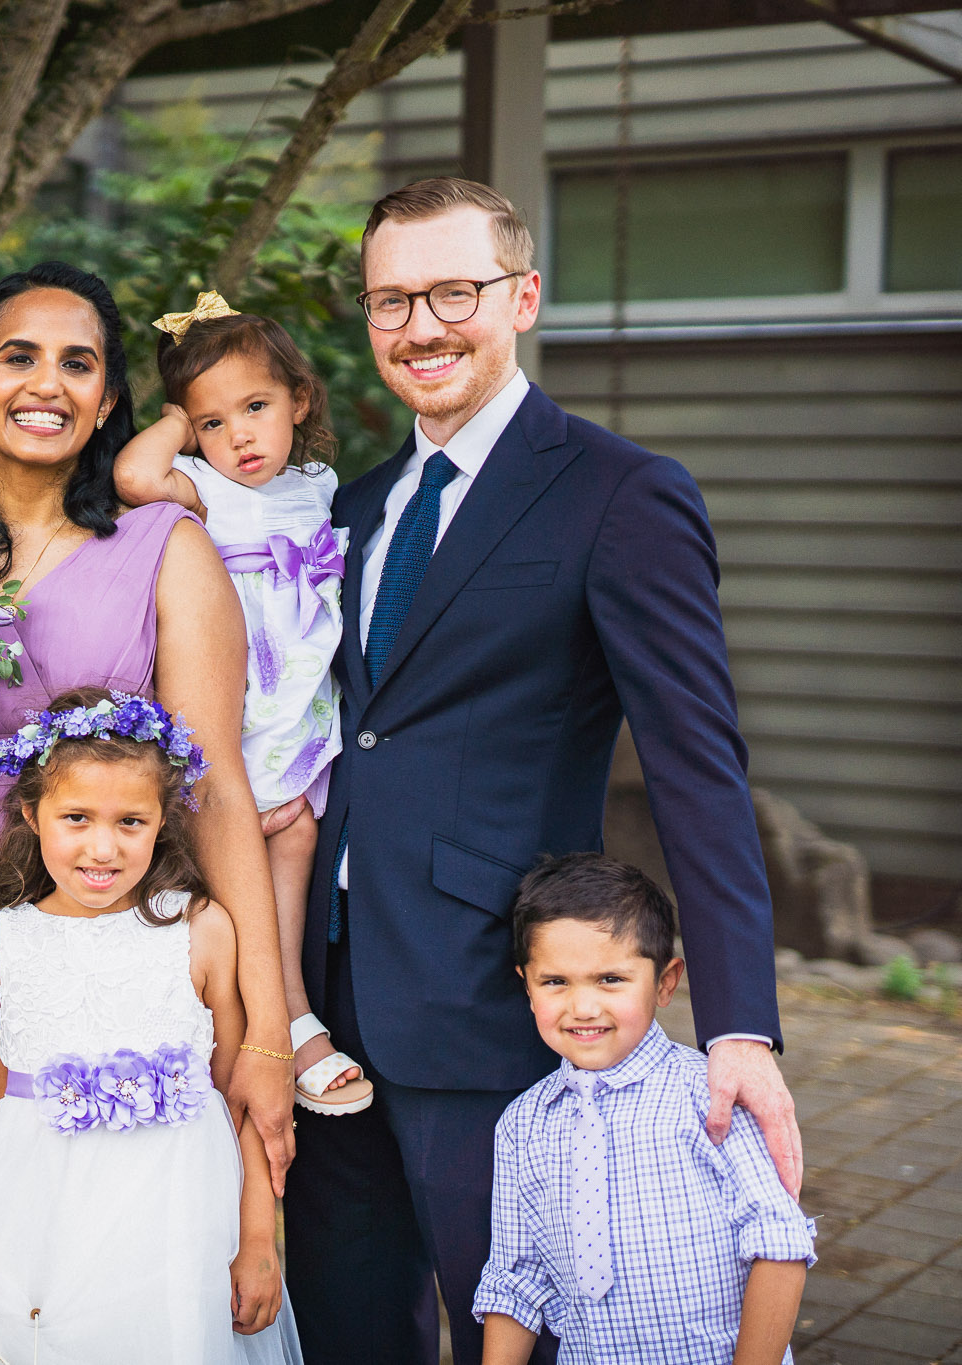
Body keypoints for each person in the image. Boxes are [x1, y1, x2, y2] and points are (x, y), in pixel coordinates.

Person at [284, 176, 801, 1365]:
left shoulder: (619, 495)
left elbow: (696, 768)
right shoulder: (348, 512)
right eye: (389, 301)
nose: (419, 327)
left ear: (520, 298)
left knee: (515, 1327)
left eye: (451, 293)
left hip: (486, 996)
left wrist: (739, 1026)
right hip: (324, 999)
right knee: (346, 1329)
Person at [0, 262, 303, 1348]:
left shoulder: (164, 549)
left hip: (120, 927)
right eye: (18, 357)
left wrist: (268, 1027)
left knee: (112, 1249)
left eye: (78, 363)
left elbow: (217, 791)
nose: (46, 383)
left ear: (106, 401)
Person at [0, 687, 304, 1365]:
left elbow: (238, 1097)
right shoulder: (1, 943)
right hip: (34, 1216)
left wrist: (259, 1238)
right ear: (33, 813)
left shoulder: (200, 930)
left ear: (163, 821)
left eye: (131, 822)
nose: (102, 847)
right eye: (77, 818)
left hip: (170, 1222)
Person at [115, 291, 369, 1116]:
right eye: (213, 422)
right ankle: (262, 1029)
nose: (240, 437)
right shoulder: (196, 485)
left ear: (299, 400)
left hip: (296, 709)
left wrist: (198, 416)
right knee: (227, 857)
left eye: (256, 407)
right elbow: (133, 475)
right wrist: (176, 428)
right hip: (235, 702)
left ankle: (286, 1010)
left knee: (295, 834)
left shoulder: (318, 486)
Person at [476, 854, 813, 1365]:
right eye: (555, 982)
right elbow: (515, 1279)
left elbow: (779, 1245)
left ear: (665, 982)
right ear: (526, 984)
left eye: (610, 979)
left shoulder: (712, 1096)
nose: (583, 1007)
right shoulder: (522, 1125)